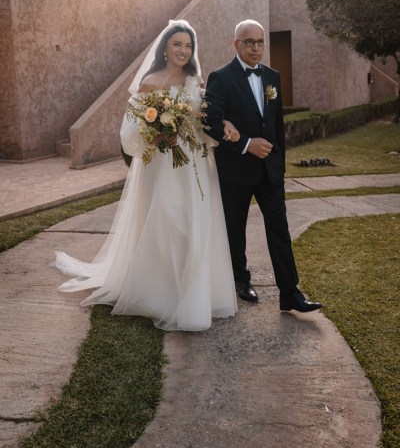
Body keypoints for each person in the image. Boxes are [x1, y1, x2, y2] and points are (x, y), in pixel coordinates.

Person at [53, 20, 237, 331]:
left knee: (195, 224)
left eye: (188, 46)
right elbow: (132, 127)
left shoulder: (195, 79)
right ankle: (159, 294)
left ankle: (194, 293)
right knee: (167, 221)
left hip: (193, 165)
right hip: (162, 165)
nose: (183, 50)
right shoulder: (150, 81)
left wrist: (224, 126)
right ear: (165, 47)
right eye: (177, 44)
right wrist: (154, 136)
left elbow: (204, 121)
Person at [205, 19, 322, 313]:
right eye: (249, 42)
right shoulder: (220, 77)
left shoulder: (272, 77)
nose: (256, 47)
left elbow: (276, 124)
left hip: (269, 172)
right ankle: (240, 281)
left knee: (279, 229)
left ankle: (289, 293)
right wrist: (246, 143)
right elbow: (209, 121)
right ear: (236, 44)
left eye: (260, 42)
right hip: (235, 170)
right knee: (236, 230)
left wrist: (278, 162)